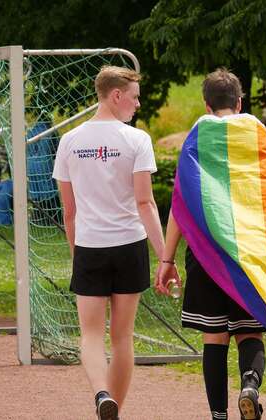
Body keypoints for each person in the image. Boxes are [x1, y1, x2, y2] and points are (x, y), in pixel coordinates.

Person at [52, 65, 166, 420]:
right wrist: (165, 257)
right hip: (130, 245)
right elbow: (145, 203)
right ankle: (115, 405)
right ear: (116, 95)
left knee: (89, 335)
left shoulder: (69, 140)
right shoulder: (137, 139)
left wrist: (77, 254)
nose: (137, 105)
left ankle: (102, 395)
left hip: (89, 246)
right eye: (134, 98)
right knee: (122, 337)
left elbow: (68, 213)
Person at [156, 69, 266, 420]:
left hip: (206, 254)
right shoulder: (257, 132)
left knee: (214, 337)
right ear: (239, 101)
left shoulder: (197, 134)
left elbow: (182, 201)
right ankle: (250, 383)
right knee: (250, 333)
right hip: (248, 250)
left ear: (206, 104)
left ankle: (219, 416)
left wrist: (166, 258)